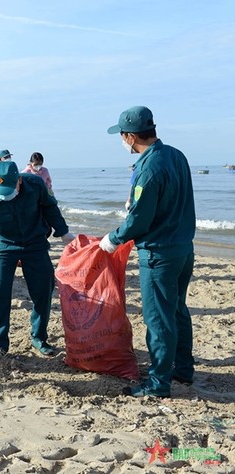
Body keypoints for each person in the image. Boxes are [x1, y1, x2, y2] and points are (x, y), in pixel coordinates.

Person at [100, 106, 195, 398]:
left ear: (130, 137)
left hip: (158, 253)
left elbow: (140, 219)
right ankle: (182, 369)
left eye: (122, 136)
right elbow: (171, 199)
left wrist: (113, 239)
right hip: (182, 248)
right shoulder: (176, 155)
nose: (122, 141)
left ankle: (158, 383)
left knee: (158, 317)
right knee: (178, 309)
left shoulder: (148, 167)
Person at [0, 160, 75, 356]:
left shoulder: (35, 185)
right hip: (3, 247)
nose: (3, 194)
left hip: (35, 243)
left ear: (19, 181)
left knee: (43, 291)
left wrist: (63, 232)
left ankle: (39, 337)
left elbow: (50, 207)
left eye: (7, 188)